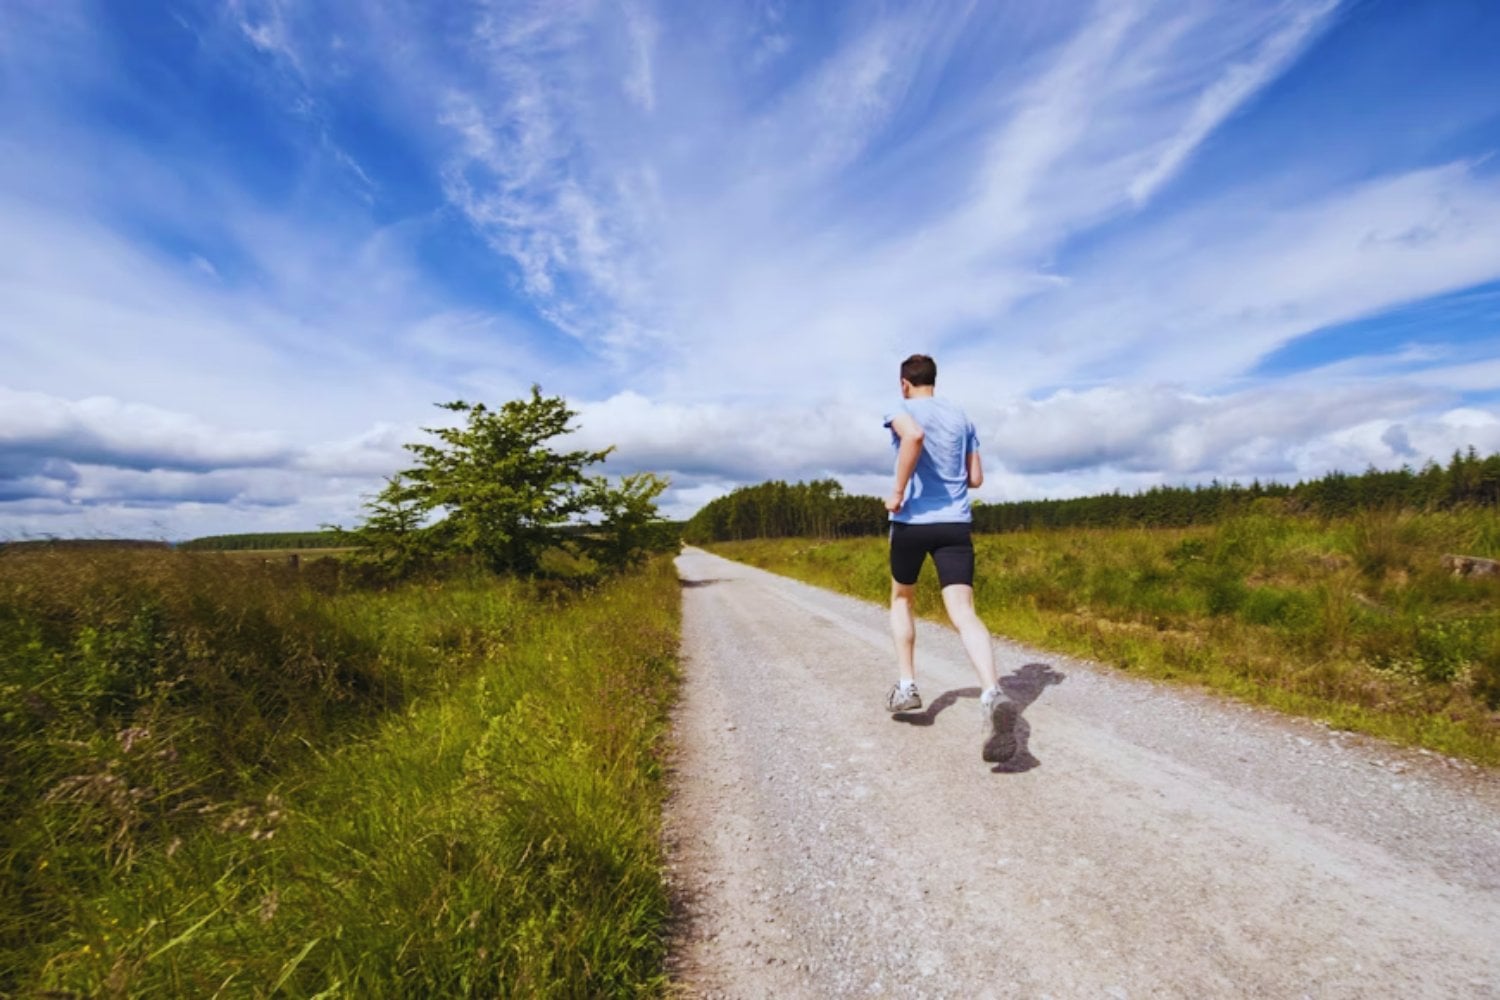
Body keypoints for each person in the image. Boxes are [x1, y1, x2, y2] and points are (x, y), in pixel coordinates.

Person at [882, 354, 1015, 762]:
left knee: (903, 598)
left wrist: (899, 492)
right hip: (955, 524)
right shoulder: (961, 416)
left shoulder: (900, 409)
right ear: (933, 381)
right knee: (964, 612)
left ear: (905, 383)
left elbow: (914, 437)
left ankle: (907, 687)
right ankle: (992, 692)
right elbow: (975, 478)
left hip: (912, 523)